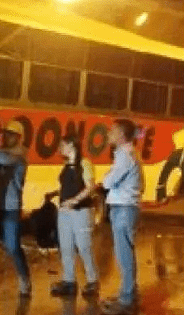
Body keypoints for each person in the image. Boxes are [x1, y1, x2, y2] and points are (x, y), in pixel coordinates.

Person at [45, 134, 99, 297]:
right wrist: (55, 194)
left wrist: (74, 201)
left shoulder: (84, 164)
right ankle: (69, 281)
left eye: (63, 145)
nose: (60, 148)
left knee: (84, 247)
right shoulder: (67, 165)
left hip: (81, 211)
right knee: (66, 247)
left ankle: (92, 281)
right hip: (64, 212)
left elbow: (90, 187)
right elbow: (68, 186)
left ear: (72, 145)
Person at [99, 119, 143, 315]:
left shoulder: (125, 156)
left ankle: (126, 301)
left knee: (124, 254)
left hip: (124, 207)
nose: (109, 134)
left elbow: (109, 182)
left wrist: (103, 180)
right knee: (125, 253)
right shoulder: (127, 154)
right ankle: (128, 294)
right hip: (126, 207)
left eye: (112, 131)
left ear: (121, 135)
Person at [0, 119, 31, 297]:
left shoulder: (18, 156)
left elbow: (2, 158)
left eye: (10, 134)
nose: (6, 136)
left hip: (10, 208)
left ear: (19, 137)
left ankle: (24, 280)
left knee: (12, 246)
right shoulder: (2, 151)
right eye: (5, 133)